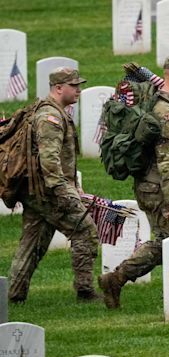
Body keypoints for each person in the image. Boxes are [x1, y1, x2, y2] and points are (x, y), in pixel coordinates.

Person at [98, 56, 169, 309]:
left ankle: (116, 279)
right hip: (159, 187)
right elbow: (166, 158)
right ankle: (117, 278)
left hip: (156, 185)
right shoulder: (165, 110)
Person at [9, 67, 100, 303]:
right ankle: (85, 291)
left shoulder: (52, 111)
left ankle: (14, 295)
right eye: (74, 85)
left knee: (32, 243)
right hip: (49, 192)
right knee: (85, 231)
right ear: (59, 88)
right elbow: (49, 162)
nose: (79, 90)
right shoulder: (50, 117)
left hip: (37, 190)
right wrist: (65, 192)